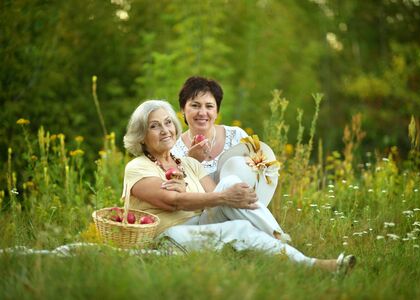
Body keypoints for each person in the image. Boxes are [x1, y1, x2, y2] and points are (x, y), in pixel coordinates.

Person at [121, 99, 356, 273]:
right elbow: (173, 202)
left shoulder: (188, 163)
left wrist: (221, 195)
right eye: (154, 126)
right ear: (141, 135)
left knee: (231, 182)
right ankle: (314, 266)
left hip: (197, 223)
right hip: (167, 236)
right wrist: (219, 197)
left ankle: (277, 238)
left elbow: (216, 195)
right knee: (239, 227)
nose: (165, 130)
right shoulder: (137, 167)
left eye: (168, 122)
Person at [171, 76, 248, 179]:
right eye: (195, 105)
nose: (202, 113)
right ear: (182, 110)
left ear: (217, 112)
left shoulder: (237, 136)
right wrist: (191, 161)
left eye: (209, 106)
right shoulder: (174, 151)